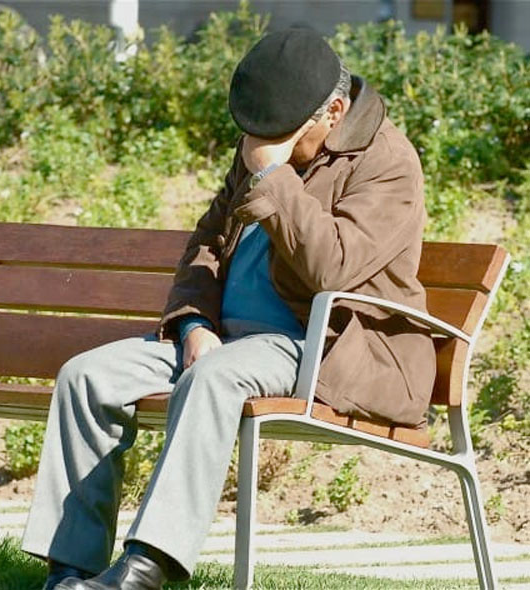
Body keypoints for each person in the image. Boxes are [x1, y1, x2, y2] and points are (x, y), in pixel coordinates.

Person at [22, 27, 437, 590]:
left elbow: (333, 270)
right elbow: (207, 246)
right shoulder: (268, 142)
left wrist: (272, 174)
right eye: (255, 138)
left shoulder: (387, 163)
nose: (259, 146)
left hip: (321, 345)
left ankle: (147, 568)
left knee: (215, 379)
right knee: (85, 378)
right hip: (225, 340)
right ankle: (70, 572)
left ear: (335, 111)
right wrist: (193, 324)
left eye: (279, 136)